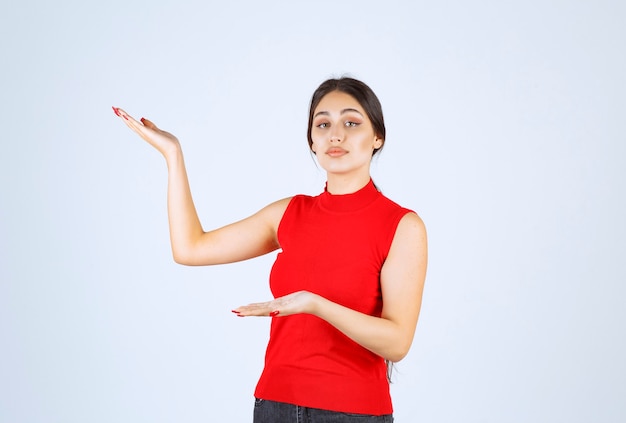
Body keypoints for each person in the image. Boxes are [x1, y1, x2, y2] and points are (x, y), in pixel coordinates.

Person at [113, 77, 427, 422]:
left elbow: (398, 342)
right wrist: (173, 155)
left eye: (351, 123)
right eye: (323, 124)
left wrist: (315, 305)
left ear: (377, 137)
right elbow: (190, 248)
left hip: (353, 413)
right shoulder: (289, 213)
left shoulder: (402, 226)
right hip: (274, 406)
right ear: (312, 140)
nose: (335, 135)